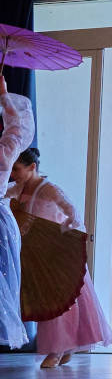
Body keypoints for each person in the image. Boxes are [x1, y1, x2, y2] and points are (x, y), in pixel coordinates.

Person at [8, 147, 112, 366]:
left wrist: (60, 237)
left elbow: (73, 213)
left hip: (55, 253)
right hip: (36, 253)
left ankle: (56, 350)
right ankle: (66, 346)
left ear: (32, 167)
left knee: (60, 302)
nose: (13, 174)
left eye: (17, 169)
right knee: (51, 303)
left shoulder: (49, 190)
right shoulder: (17, 189)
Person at [0, 73, 36, 350]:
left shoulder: (5, 151)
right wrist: (4, 95)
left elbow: (17, 131)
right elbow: (18, 128)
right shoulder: (6, 148)